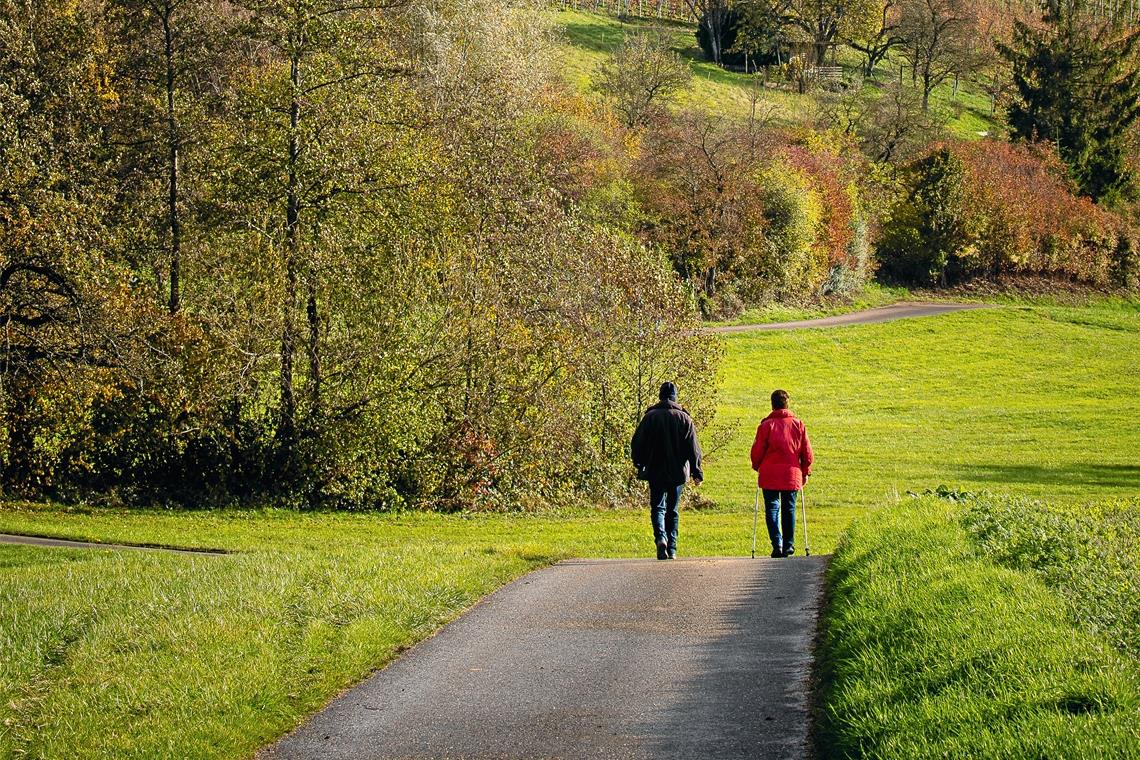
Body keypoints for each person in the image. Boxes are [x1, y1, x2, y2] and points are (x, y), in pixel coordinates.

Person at [631, 381, 703, 560]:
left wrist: (639, 463)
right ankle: (672, 547)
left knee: (657, 507)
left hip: (655, 469)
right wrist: (696, 471)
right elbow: (693, 448)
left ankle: (660, 538)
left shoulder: (650, 417)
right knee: (673, 509)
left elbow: (637, 443)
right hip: (678, 471)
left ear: (660, 396)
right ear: (675, 397)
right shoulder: (684, 418)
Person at [750, 389, 813, 558]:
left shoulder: (765, 426)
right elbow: (806, 452)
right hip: (791, 474)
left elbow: (756, 452)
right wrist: (806, 471)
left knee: (772, 508)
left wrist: (757, 466)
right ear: (787, 404)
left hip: (769, 473)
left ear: (772, 405)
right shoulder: (798, 424)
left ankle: (776, 543)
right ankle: (788, 545)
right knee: (789, 508)